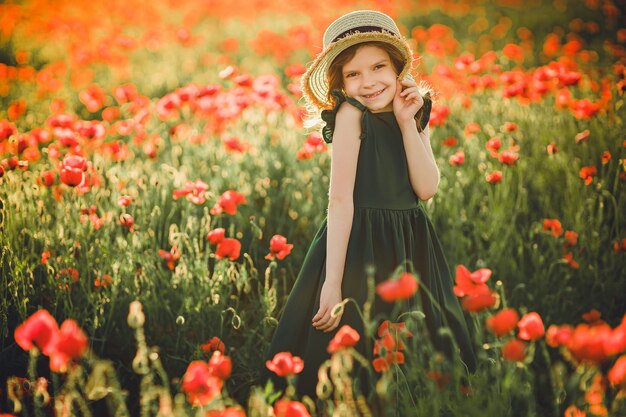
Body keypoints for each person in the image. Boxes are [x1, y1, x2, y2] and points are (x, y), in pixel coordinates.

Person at [257, 9, 477, 403]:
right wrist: (333, 283)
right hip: (360, 243)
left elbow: (426, 189)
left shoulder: (413, 110)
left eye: (378, 67)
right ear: (340, 83)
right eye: (353, 74)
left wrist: (409, 124)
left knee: (416, 339)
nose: (368, 82)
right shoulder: (350, 116)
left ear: (397, 70)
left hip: (411, 242)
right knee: (359, 342)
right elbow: (340, 201)